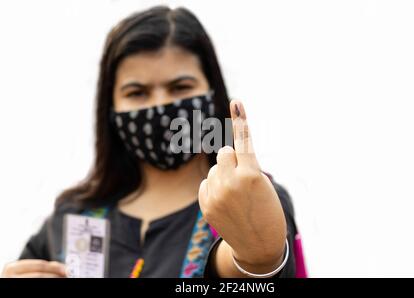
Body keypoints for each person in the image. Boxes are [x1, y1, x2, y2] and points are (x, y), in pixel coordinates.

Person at [1, 5, 304, 278]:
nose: (160, 107)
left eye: (180, 87)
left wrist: (258, 258)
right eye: (137, 93)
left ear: (212, 95)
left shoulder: (245, 199)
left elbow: (237, 266)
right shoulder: (72, 217)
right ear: (112, 109)